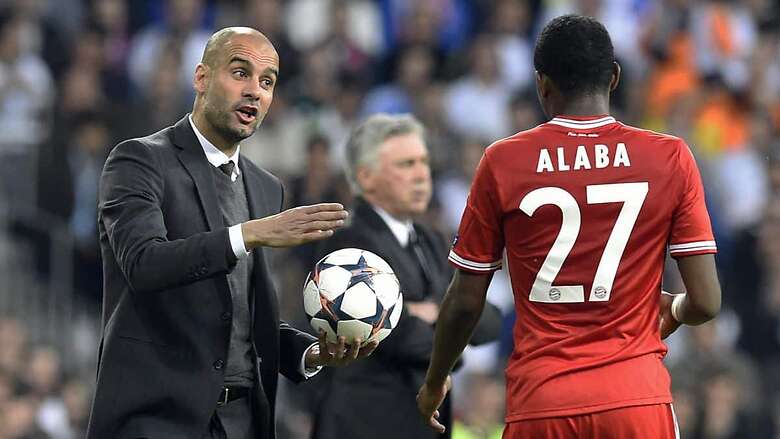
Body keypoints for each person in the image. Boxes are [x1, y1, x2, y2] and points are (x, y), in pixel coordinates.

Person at [417, 15, 722, 438]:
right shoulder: (669, 157)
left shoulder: (504, 161)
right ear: (614, 77)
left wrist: (435, 382)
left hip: (542, 403)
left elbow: (466, 300)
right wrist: (672, 309)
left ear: (542, 83)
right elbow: (706, 302)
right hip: (635, 399)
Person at [86, 27, 376, 439]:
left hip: (241, 420)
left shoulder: (265, 186)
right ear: (201, 78)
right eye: (240, 73)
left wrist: (311, 352)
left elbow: (240, 312)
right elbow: (144, 264)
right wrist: (247, 234)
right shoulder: (138, 160)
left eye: (267, 81)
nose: (255, 91)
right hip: (156, 418)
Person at [311, 113, 502, 439]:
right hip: (365, 424)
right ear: (366, 177)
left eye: (424, 162)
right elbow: (390, 336)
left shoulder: (429, 239)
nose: (421, 175)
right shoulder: (350, 244)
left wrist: (429, 314)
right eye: (406, 164)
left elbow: (485, 318)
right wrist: (451, 327)